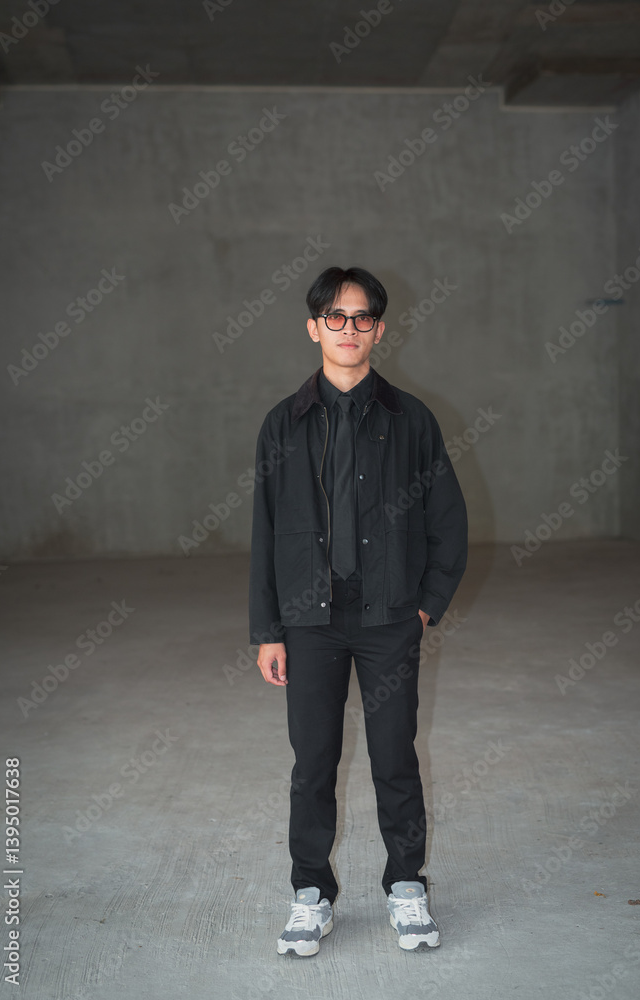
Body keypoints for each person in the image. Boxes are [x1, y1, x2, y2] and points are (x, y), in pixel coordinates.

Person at [248, 265, 468, 955]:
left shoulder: (410, 419)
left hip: (387, 618)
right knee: (311, 762)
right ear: (313, 326)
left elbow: (448, 521)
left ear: (379, 326)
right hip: (308, 621)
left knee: (393, 757)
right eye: (335, 317)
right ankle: (310, 892)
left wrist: (425, 607)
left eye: (362, 316)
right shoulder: (282, 423)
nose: (349, 329)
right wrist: (266, 631)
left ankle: (407, 885)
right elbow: (263, 532)